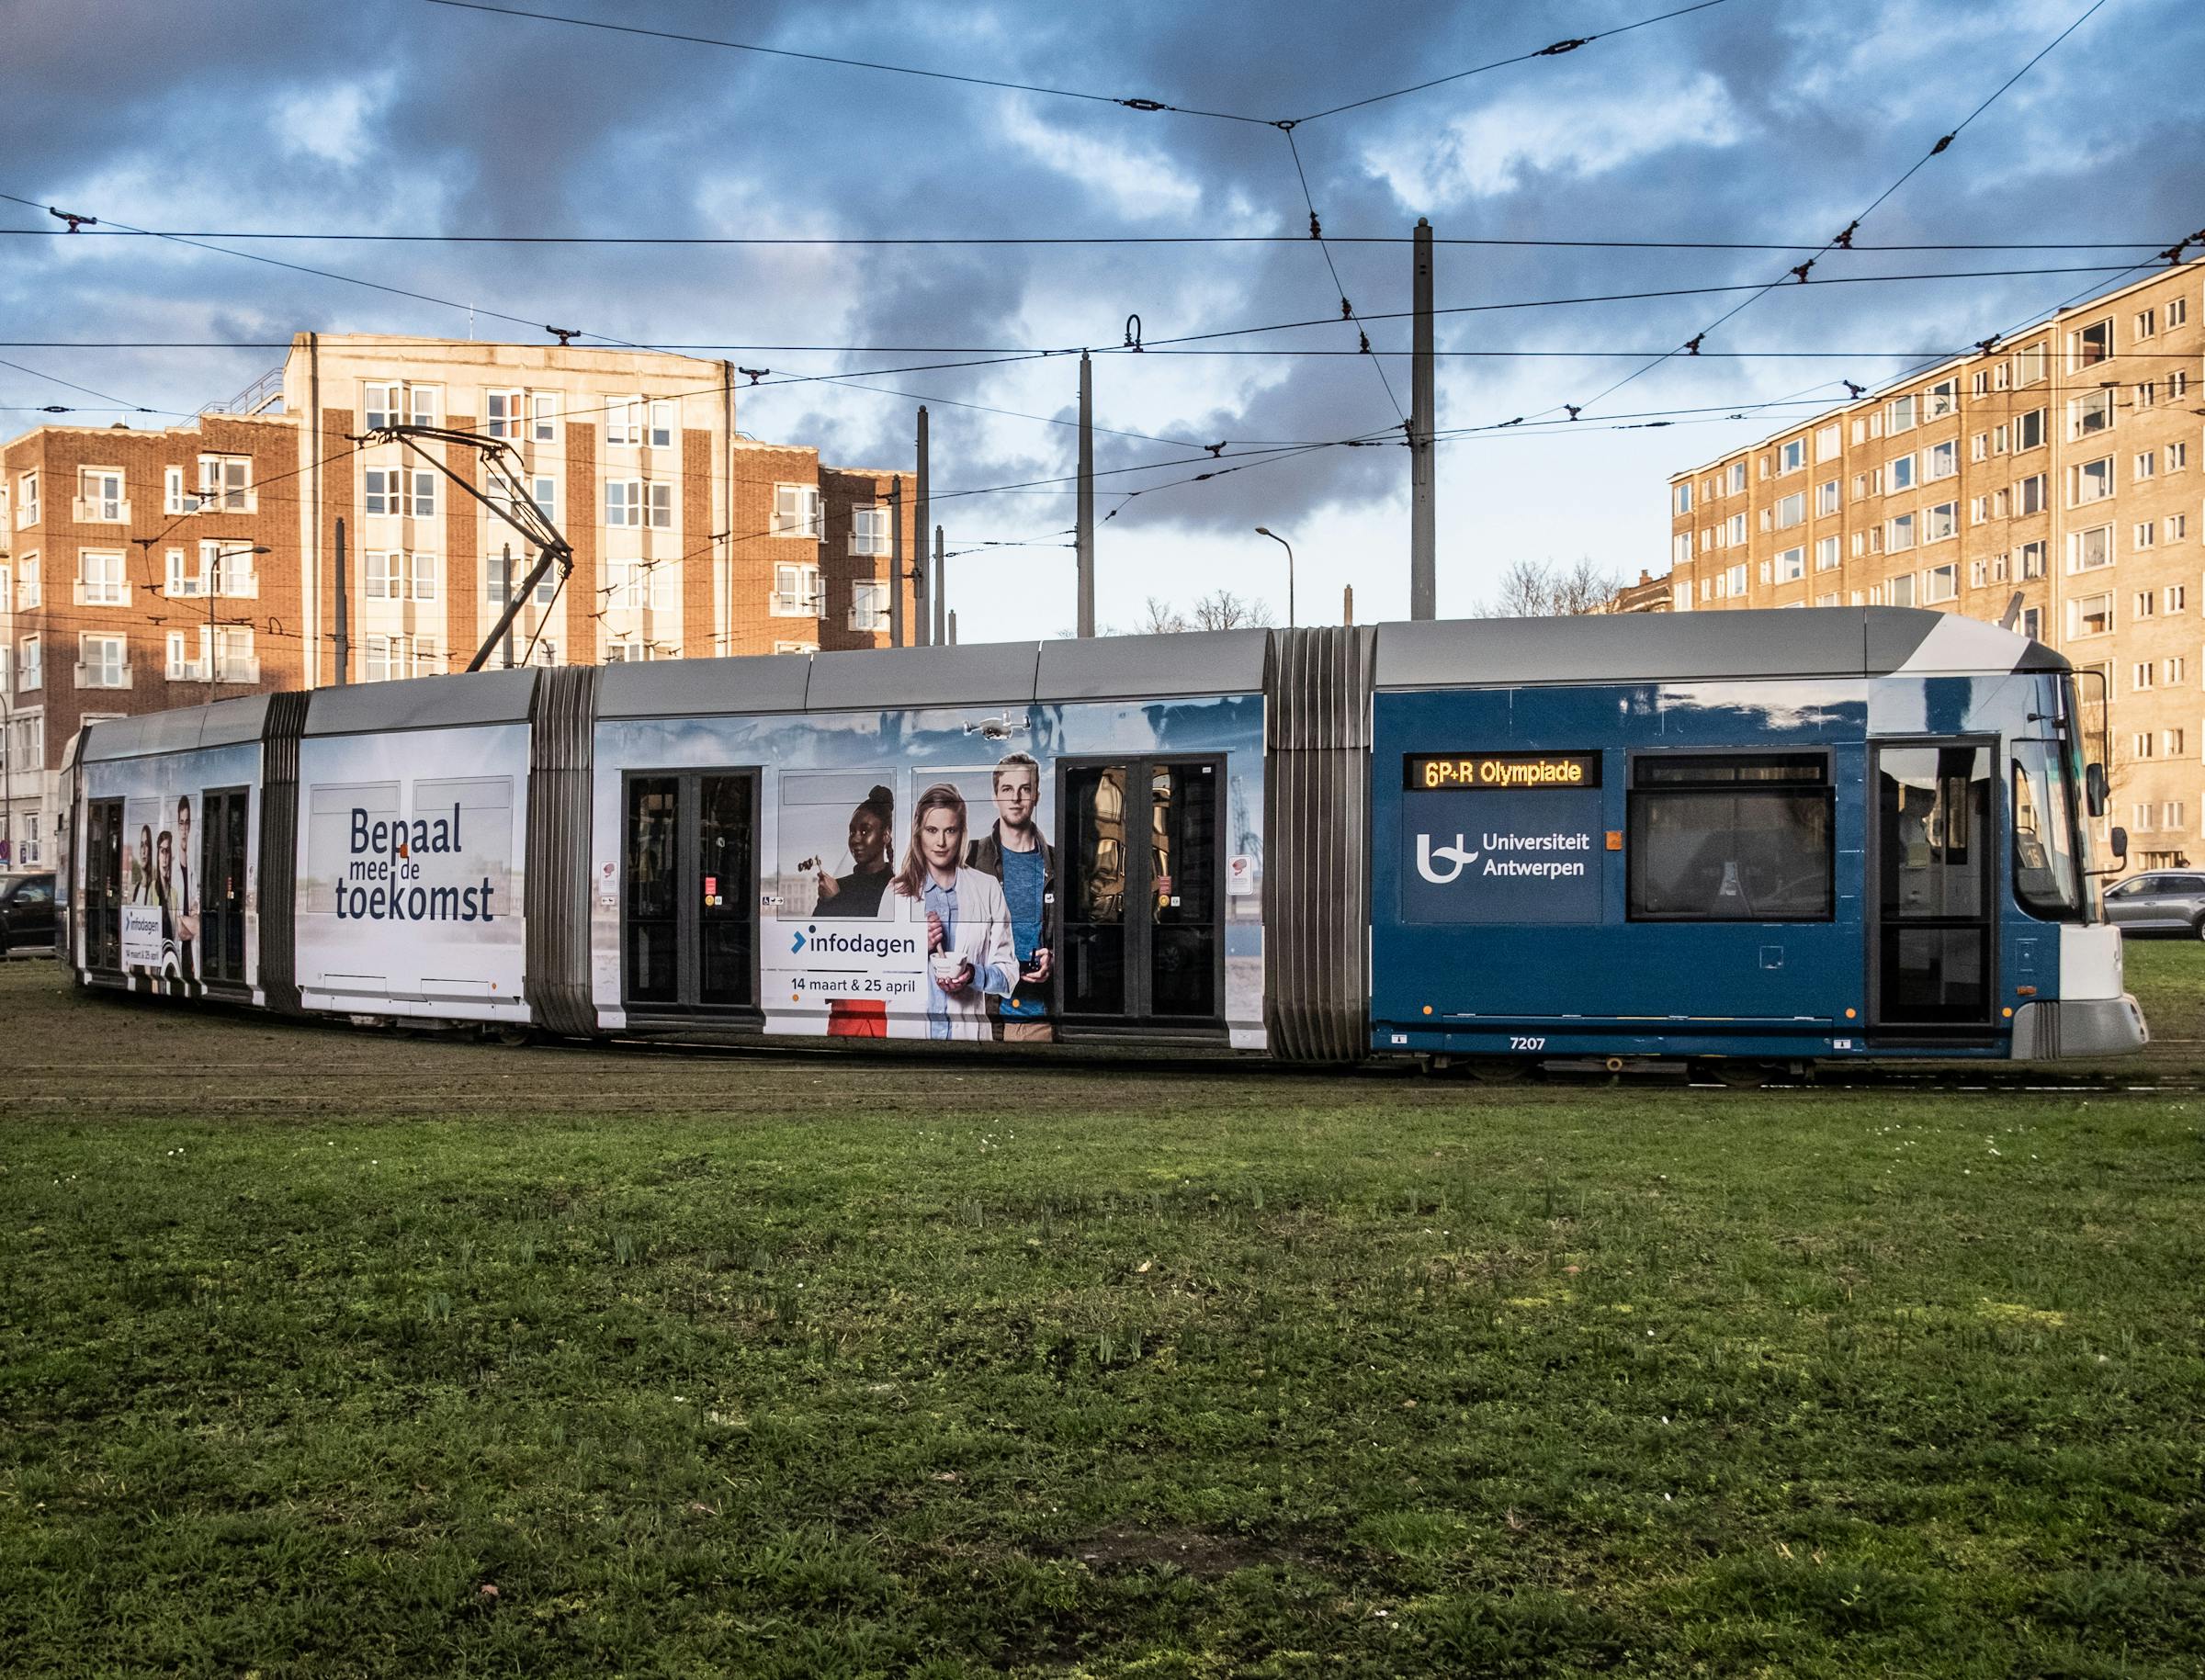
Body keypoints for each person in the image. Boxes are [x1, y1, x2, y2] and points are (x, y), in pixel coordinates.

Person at [892, 783, 1016, 1041]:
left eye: (950, 830)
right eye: (931, 830)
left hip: (968, 1036)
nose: (940, 842)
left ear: (961, 833)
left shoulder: (988, 888)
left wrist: (971, 973)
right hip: (909, 1036)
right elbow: (874, 970)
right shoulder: (896, 893)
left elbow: (1008, 975)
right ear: (918, 833)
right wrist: (914, 945)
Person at [964, 751, 1056, 1043]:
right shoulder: (970, 856)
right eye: (1007, 789)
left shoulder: (1056, 862)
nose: (1015, 798)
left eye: (1024, 789)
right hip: (982, 1017)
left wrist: (1055, 959)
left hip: (1038, 1020)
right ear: (995, 797)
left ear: (1036, 795)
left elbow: (1078, 933)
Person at [811, 785, 894, 918]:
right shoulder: (836, 887)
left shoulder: (899, 890)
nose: (855, 839)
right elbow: (814, 935)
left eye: (864, 831)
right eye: (852, 832)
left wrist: (835, 901)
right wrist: (826, 902)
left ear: (886, 835)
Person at [172, 795, 199, 983]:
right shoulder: (170, 871)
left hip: (191, 952)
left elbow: (196, 921)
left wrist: (185, 919)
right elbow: (178, 928)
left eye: (187, 823)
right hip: (177, 950)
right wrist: (189, 921)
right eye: (181, 823)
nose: (184, 828)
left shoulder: (192, 871)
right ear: (177, 825)